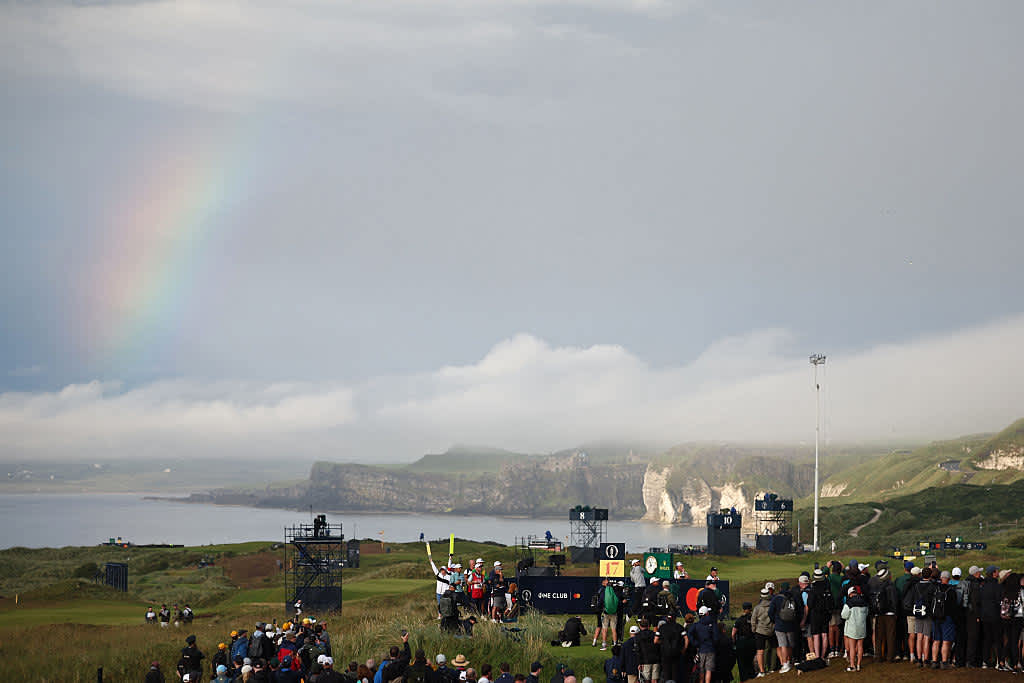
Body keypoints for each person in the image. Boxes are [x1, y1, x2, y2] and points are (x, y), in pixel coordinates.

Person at [867, 562, 898, 663]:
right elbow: (894, 601)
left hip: (878, 613)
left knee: (879, 636)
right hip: (889, 614)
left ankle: (878, 656)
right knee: (890, 636)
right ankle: (890, 656)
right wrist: (895, 612)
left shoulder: (874, 584)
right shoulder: (891, 586)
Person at [768, 582, 800, 673]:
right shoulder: (793, 598)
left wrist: (774, 621)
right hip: (791, 624)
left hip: (779, 625)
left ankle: (785, 664)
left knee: (783, 645)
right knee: (790, 645)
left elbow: (770, 612)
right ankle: (789, 661)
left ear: (781, 588)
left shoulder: (776, 598)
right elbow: (797, 611)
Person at [929, 570, 958, 669]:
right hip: (947, 618)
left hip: (935, 617)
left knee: (936, 640)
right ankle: (944, 662)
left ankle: (934, 661)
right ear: (949, 579)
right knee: (946, 641)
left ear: (941, 578)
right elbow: (954, 607)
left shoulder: (935, 589)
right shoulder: (951, 591)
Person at [841, 585, 868, 672]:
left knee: (852, 647)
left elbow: (844, 615)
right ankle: (859, 664)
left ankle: (852, 665)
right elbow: (866, 613)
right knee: (860, 646)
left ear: (850, 594)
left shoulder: (849, 603)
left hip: (852, 627)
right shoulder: (864, 602)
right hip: (862, 627)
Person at [688, 605, 718, 683]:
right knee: (709, 670)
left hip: (701, 649)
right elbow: (716, 637)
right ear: (707, 613)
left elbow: (689, 634)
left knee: (701, 669)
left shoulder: (697, 625)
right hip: (710, 649)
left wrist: (695, 643)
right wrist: (713, 643)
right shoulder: (712, 623)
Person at [750, 587, 774, 678]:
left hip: (760, 631)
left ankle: (762, 671)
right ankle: (775, 667)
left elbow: (753, 621)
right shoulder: (772, 605)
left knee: (760, 651)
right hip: (771, 630)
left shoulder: (757, 608)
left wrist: (754, 630)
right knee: (775, 648)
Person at [656, 613, 685, 683]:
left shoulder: (662, 627)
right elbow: (686, 638)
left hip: (665, 654)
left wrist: (662, 643)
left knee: (666, 673)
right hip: (676, 653)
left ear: (667, 618)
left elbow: (655, 640)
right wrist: (684, 649)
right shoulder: (679, 627)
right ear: (675, 618)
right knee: (675, 673)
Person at [595, 577, 622, 650]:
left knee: (604, 629)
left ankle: (604, 645)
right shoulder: (614, 592)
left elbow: (600, 602)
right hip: (614, 613)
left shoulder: (604, 592)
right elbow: (618, 602)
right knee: (614, 629)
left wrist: (599, 609)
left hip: (606, 613)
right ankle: (615, 644)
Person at [732, 601, 756, 681]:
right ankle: (752, 676)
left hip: (741, 643)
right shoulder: (753, 618)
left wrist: (735, 643)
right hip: (752, 641)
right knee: (750, 661)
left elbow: (733, 633)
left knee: (742, 663)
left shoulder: (739, 620)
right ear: (751, 609)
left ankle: (744, 679)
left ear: (743, 609)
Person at [634, 619, 660, 683]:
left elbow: (638, 650)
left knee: (646, 679)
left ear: (640, 626)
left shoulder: (638, 636)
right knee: (654, 680)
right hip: (656, 659)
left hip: (645, 661)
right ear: (649, 625)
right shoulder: (654, 634)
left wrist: (640, 663)